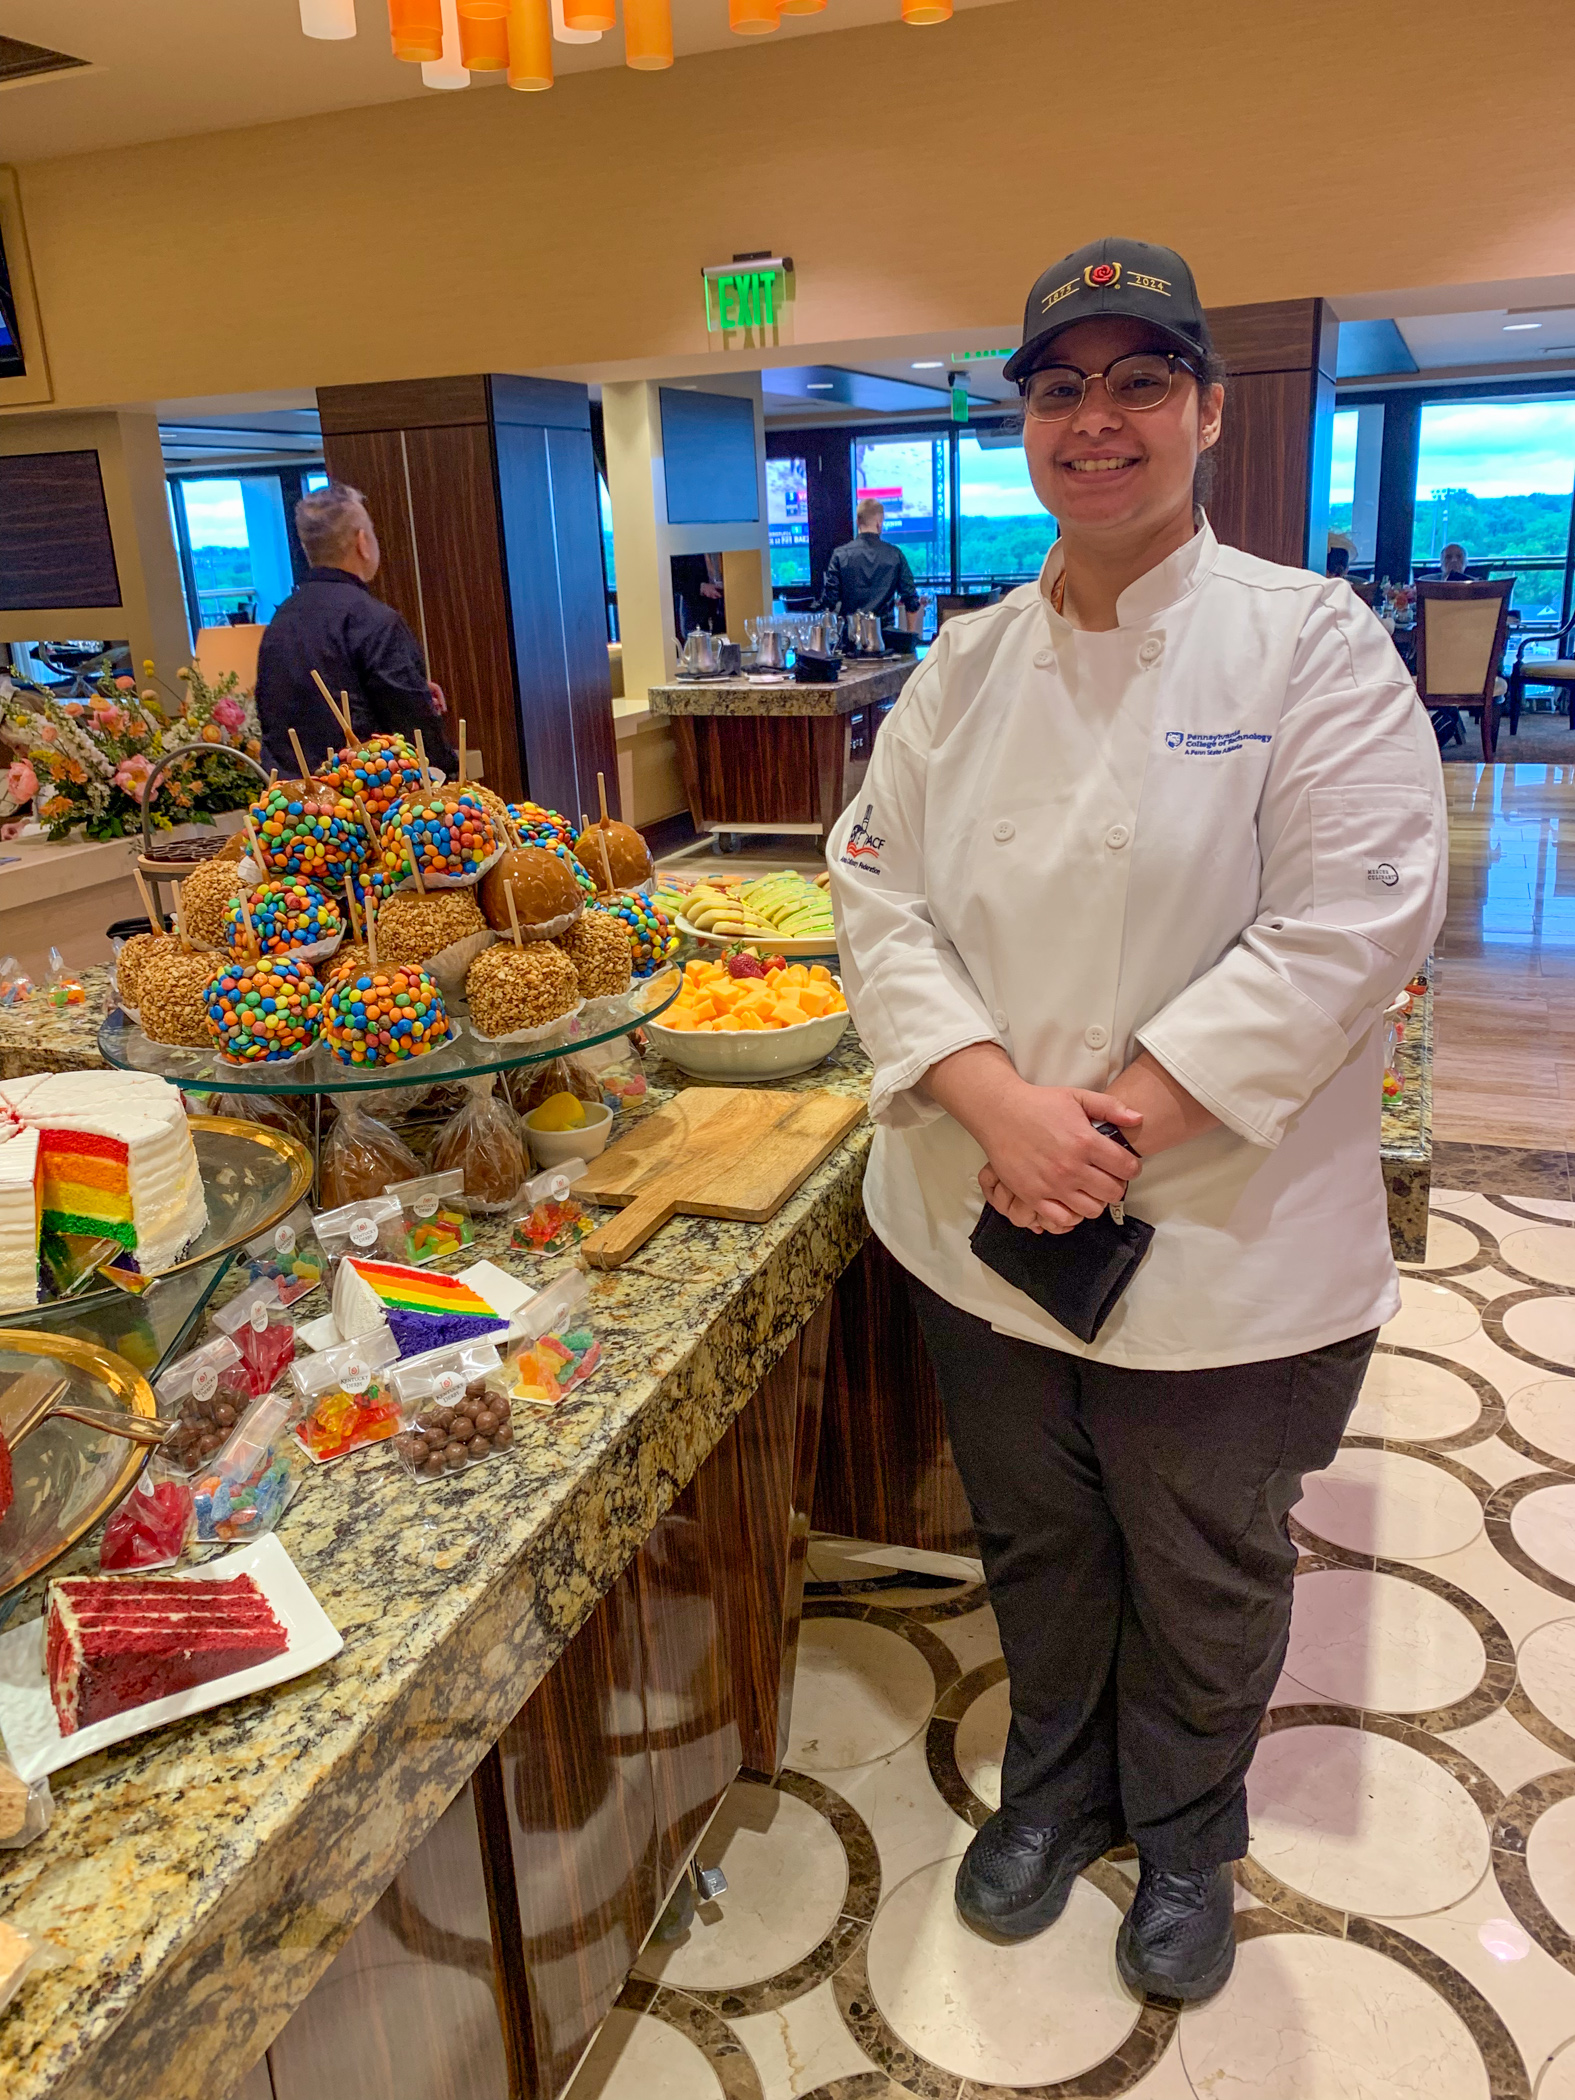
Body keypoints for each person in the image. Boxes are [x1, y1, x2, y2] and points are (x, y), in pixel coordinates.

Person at [827, 236, 1447, 2005]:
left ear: (1205, 410)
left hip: (1229, 1241)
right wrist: (992, 1103)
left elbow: (1354, 916)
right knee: (1041, 1536)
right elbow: (873, 888)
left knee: (1207, 1556)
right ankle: (1056, 1789)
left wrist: (1108, 1126)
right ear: (1026, 420)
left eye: (1136, 382)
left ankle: (1187, 1832)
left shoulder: (1311, 645)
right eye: (1058, 387)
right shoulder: (960, 667)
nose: (1094, 421)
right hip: (979, 1217)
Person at [255, 482, 454, 778]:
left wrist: (415, 689)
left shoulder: (280, 621)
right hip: (363, 804)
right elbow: (414, 734)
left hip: (293, 808)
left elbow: (287, 714)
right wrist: (449, 772)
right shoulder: (373, 621)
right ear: (362, 541)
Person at [819, 499, 923, 629]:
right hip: (884, 638)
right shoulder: (895, 555)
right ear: (879, 523)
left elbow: (829, 601)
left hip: (850, 637)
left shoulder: (840, 555)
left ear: (857, 522)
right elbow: (911, 600)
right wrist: (910, 639)